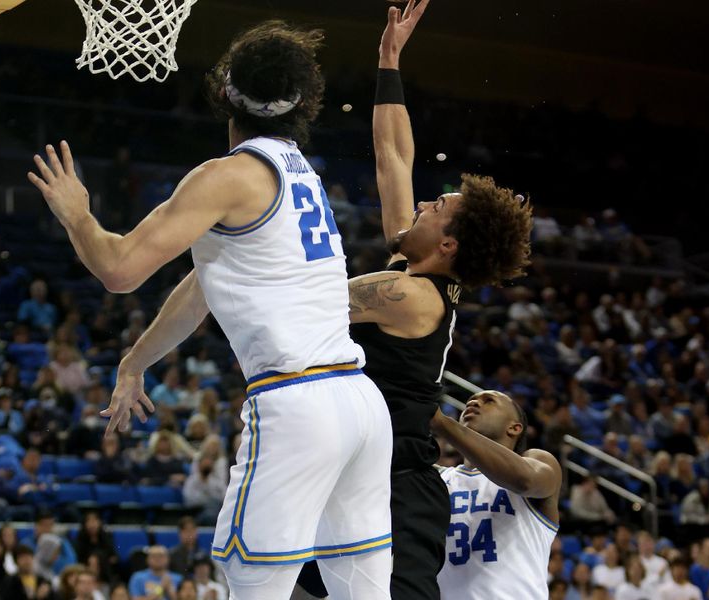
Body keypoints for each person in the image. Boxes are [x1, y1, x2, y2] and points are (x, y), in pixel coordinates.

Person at [29, 20, 393, 600]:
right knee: (362, 592)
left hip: (297, 405)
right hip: (360, 405)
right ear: (300, 101)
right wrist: (134, 360)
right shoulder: (300, 171)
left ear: (226, 92)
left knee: (252, 586)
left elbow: (120, 269)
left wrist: (77, 215)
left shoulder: (227, 175)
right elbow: (205, 286)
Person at [300, 1, 532, 598]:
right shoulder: (415, 271)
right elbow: (393, 156)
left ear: (448, 243)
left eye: (439, 208)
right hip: (348, 472)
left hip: (394, 489)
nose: (426, 204)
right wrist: (389, 59)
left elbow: (302, 294)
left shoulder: (408, 296)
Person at [431, 390, 561, 599]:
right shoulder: (438, 478)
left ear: (514, 428)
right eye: (470, 400)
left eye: (488, 400)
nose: (474, 402)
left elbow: (524, 480)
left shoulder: (539, 461)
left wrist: (441, 423)